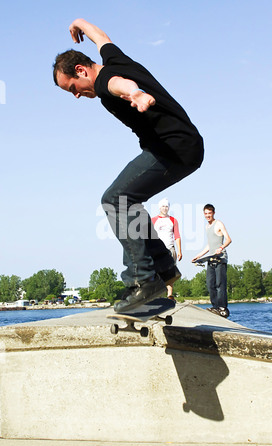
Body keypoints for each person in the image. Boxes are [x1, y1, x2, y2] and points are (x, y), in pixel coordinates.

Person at [53, 18, 204, 312]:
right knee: (130, 200)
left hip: (173, 148)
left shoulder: (104, 82)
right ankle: (163, 269)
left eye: (73, 87)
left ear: (82, 71)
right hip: (185, 144)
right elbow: (102, 37)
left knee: (115, 200)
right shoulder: (114, 58)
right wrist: (80, 23)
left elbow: (119, 85)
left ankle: (143, 281)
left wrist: (134, 94)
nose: (76, 95)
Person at [192, 204, 232, 317]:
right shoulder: (207, 227)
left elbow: (229, 239)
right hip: (211, 258)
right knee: (210, 284)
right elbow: (209, 246)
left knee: (220, 284)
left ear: (213, 213)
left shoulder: (218, 224)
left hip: (220, 258)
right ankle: (215, 307)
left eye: (209, 213)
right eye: (206, 213)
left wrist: (221, 247)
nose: (207, 215)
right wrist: (198, 256)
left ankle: (223, 308)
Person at [152, 198, 182, 300]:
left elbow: (177, 236)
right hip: (158, 249)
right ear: (159, 207)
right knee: (157, 272)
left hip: (170, 248)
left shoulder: (173, 220)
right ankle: (158, 294)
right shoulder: (153, 220)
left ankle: (170, 294)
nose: (165, 208)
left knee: (170, 272)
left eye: (166, 206)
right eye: (163, 206)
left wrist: (180, 251)